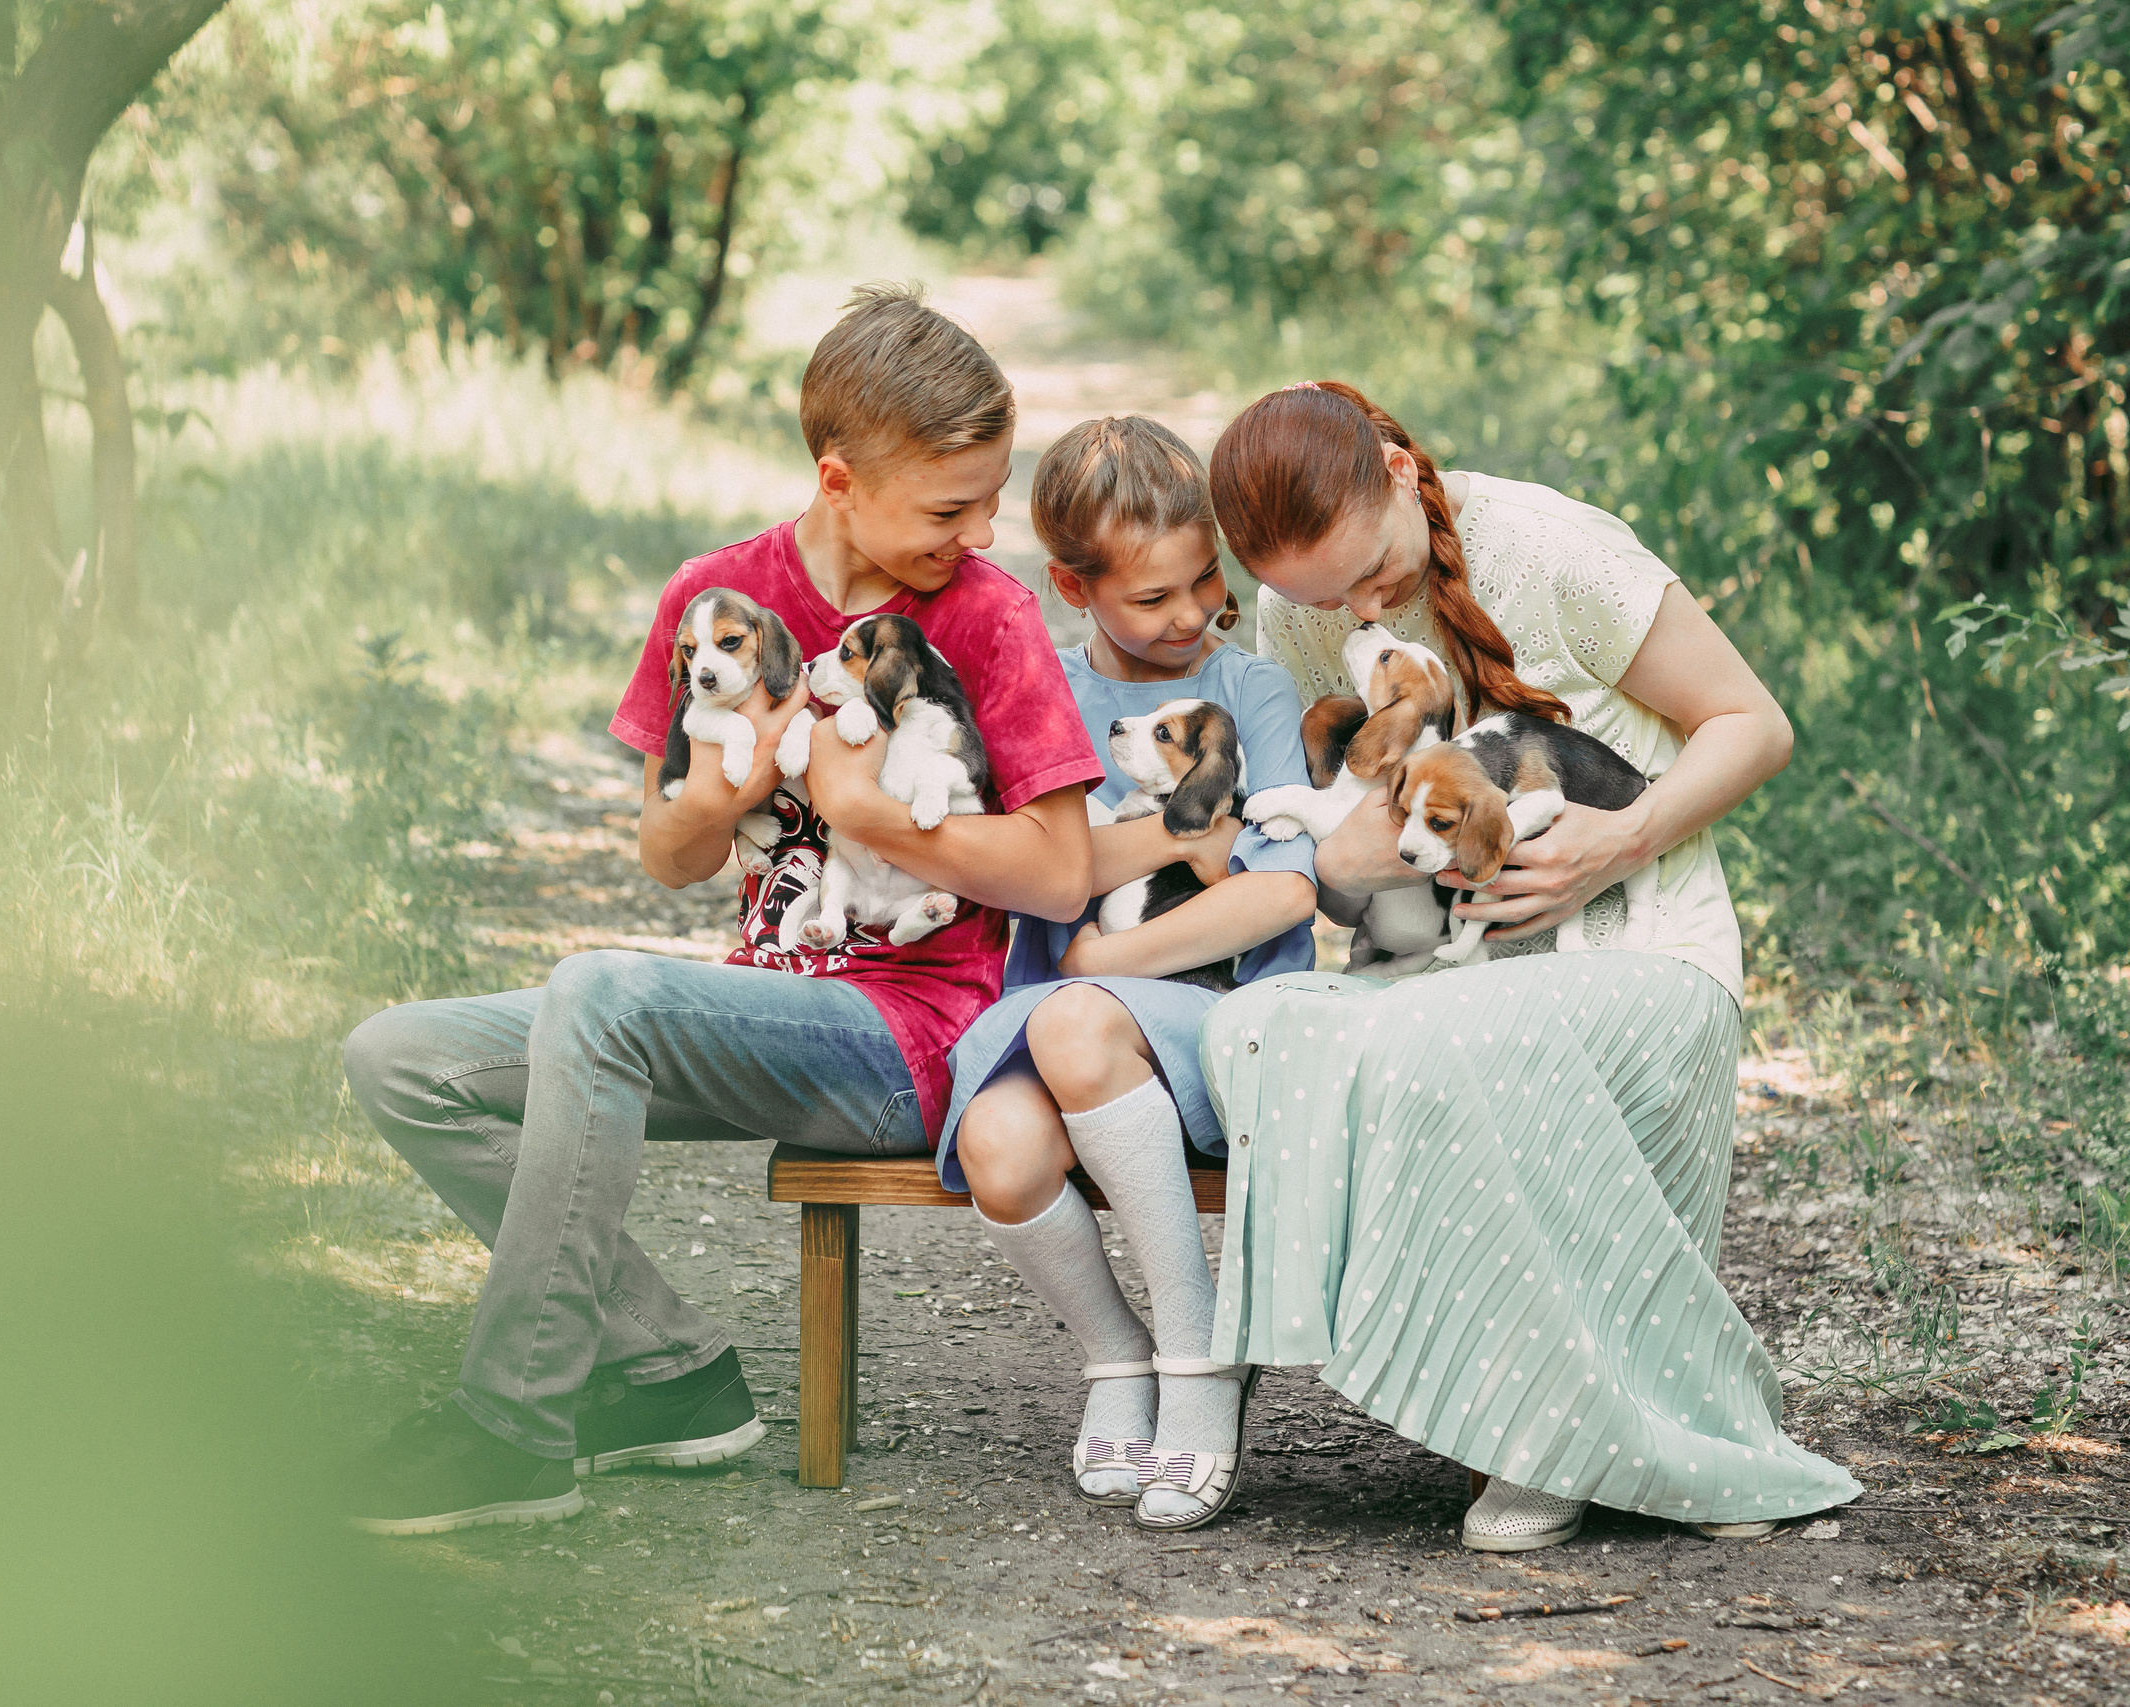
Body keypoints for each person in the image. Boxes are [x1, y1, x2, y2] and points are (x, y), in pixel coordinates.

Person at [339, 285, 1101, 1535]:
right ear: (839, 476)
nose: (979, 530)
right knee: (400, 1057)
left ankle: (511, 1426)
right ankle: (668, 1375)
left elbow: (1060, 873)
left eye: (992, 498)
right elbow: (670, 856)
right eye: (950, 505)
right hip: (759, 1008)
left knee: (601, 992)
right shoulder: (717, 598)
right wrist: (719, 795)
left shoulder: (988, 614)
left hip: (911, 1035)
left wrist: (867, 813)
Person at [1196, 380, 1860, 1552]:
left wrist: (1620, 837)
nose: (1351, 609)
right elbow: (1357, 846)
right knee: (1262, 1027)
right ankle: (1275, 1375)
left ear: (1400, 471)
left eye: (1370, 576)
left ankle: (1549, 1429)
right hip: (1444, 963)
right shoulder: (1297, 615)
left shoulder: (1554, 552)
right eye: (1319, 596)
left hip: (1643, 958)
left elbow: (1753, 725)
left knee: (1432, 1035)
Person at [940, 417, 1318, 1531]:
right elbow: (1040, 876)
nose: (1193, 615)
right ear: (1070, 586)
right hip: (1063, 1021)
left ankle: (1199, 1361)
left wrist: (1100, 952)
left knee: (1075, 1018)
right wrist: (1188, 832)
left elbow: (1282, 891)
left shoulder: (1247, 690)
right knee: (999, 1150)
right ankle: (1119, 1359)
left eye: (1206, 581)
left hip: (1222, 1015)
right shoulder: (1034, 690)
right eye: (1154, 600)